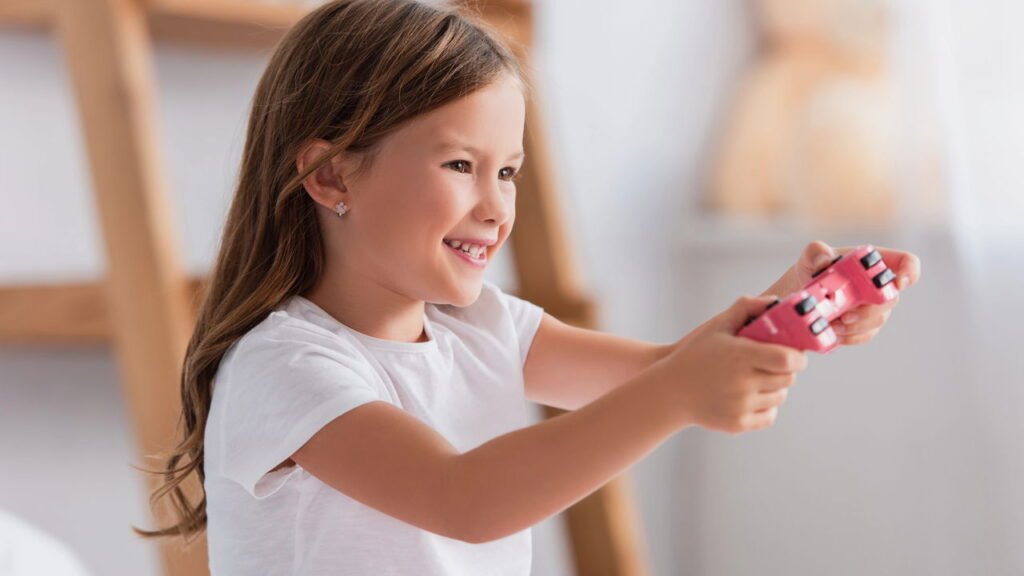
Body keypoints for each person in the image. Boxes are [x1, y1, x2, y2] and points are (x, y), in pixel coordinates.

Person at [131, 0, 922, 574]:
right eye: (460, 165)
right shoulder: (284, 367)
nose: (496, 207)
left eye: (507, 171)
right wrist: (681, 390)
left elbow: (655, 373)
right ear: (332, 174)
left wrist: (792, 307)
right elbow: (465, 500)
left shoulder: (481, 325)